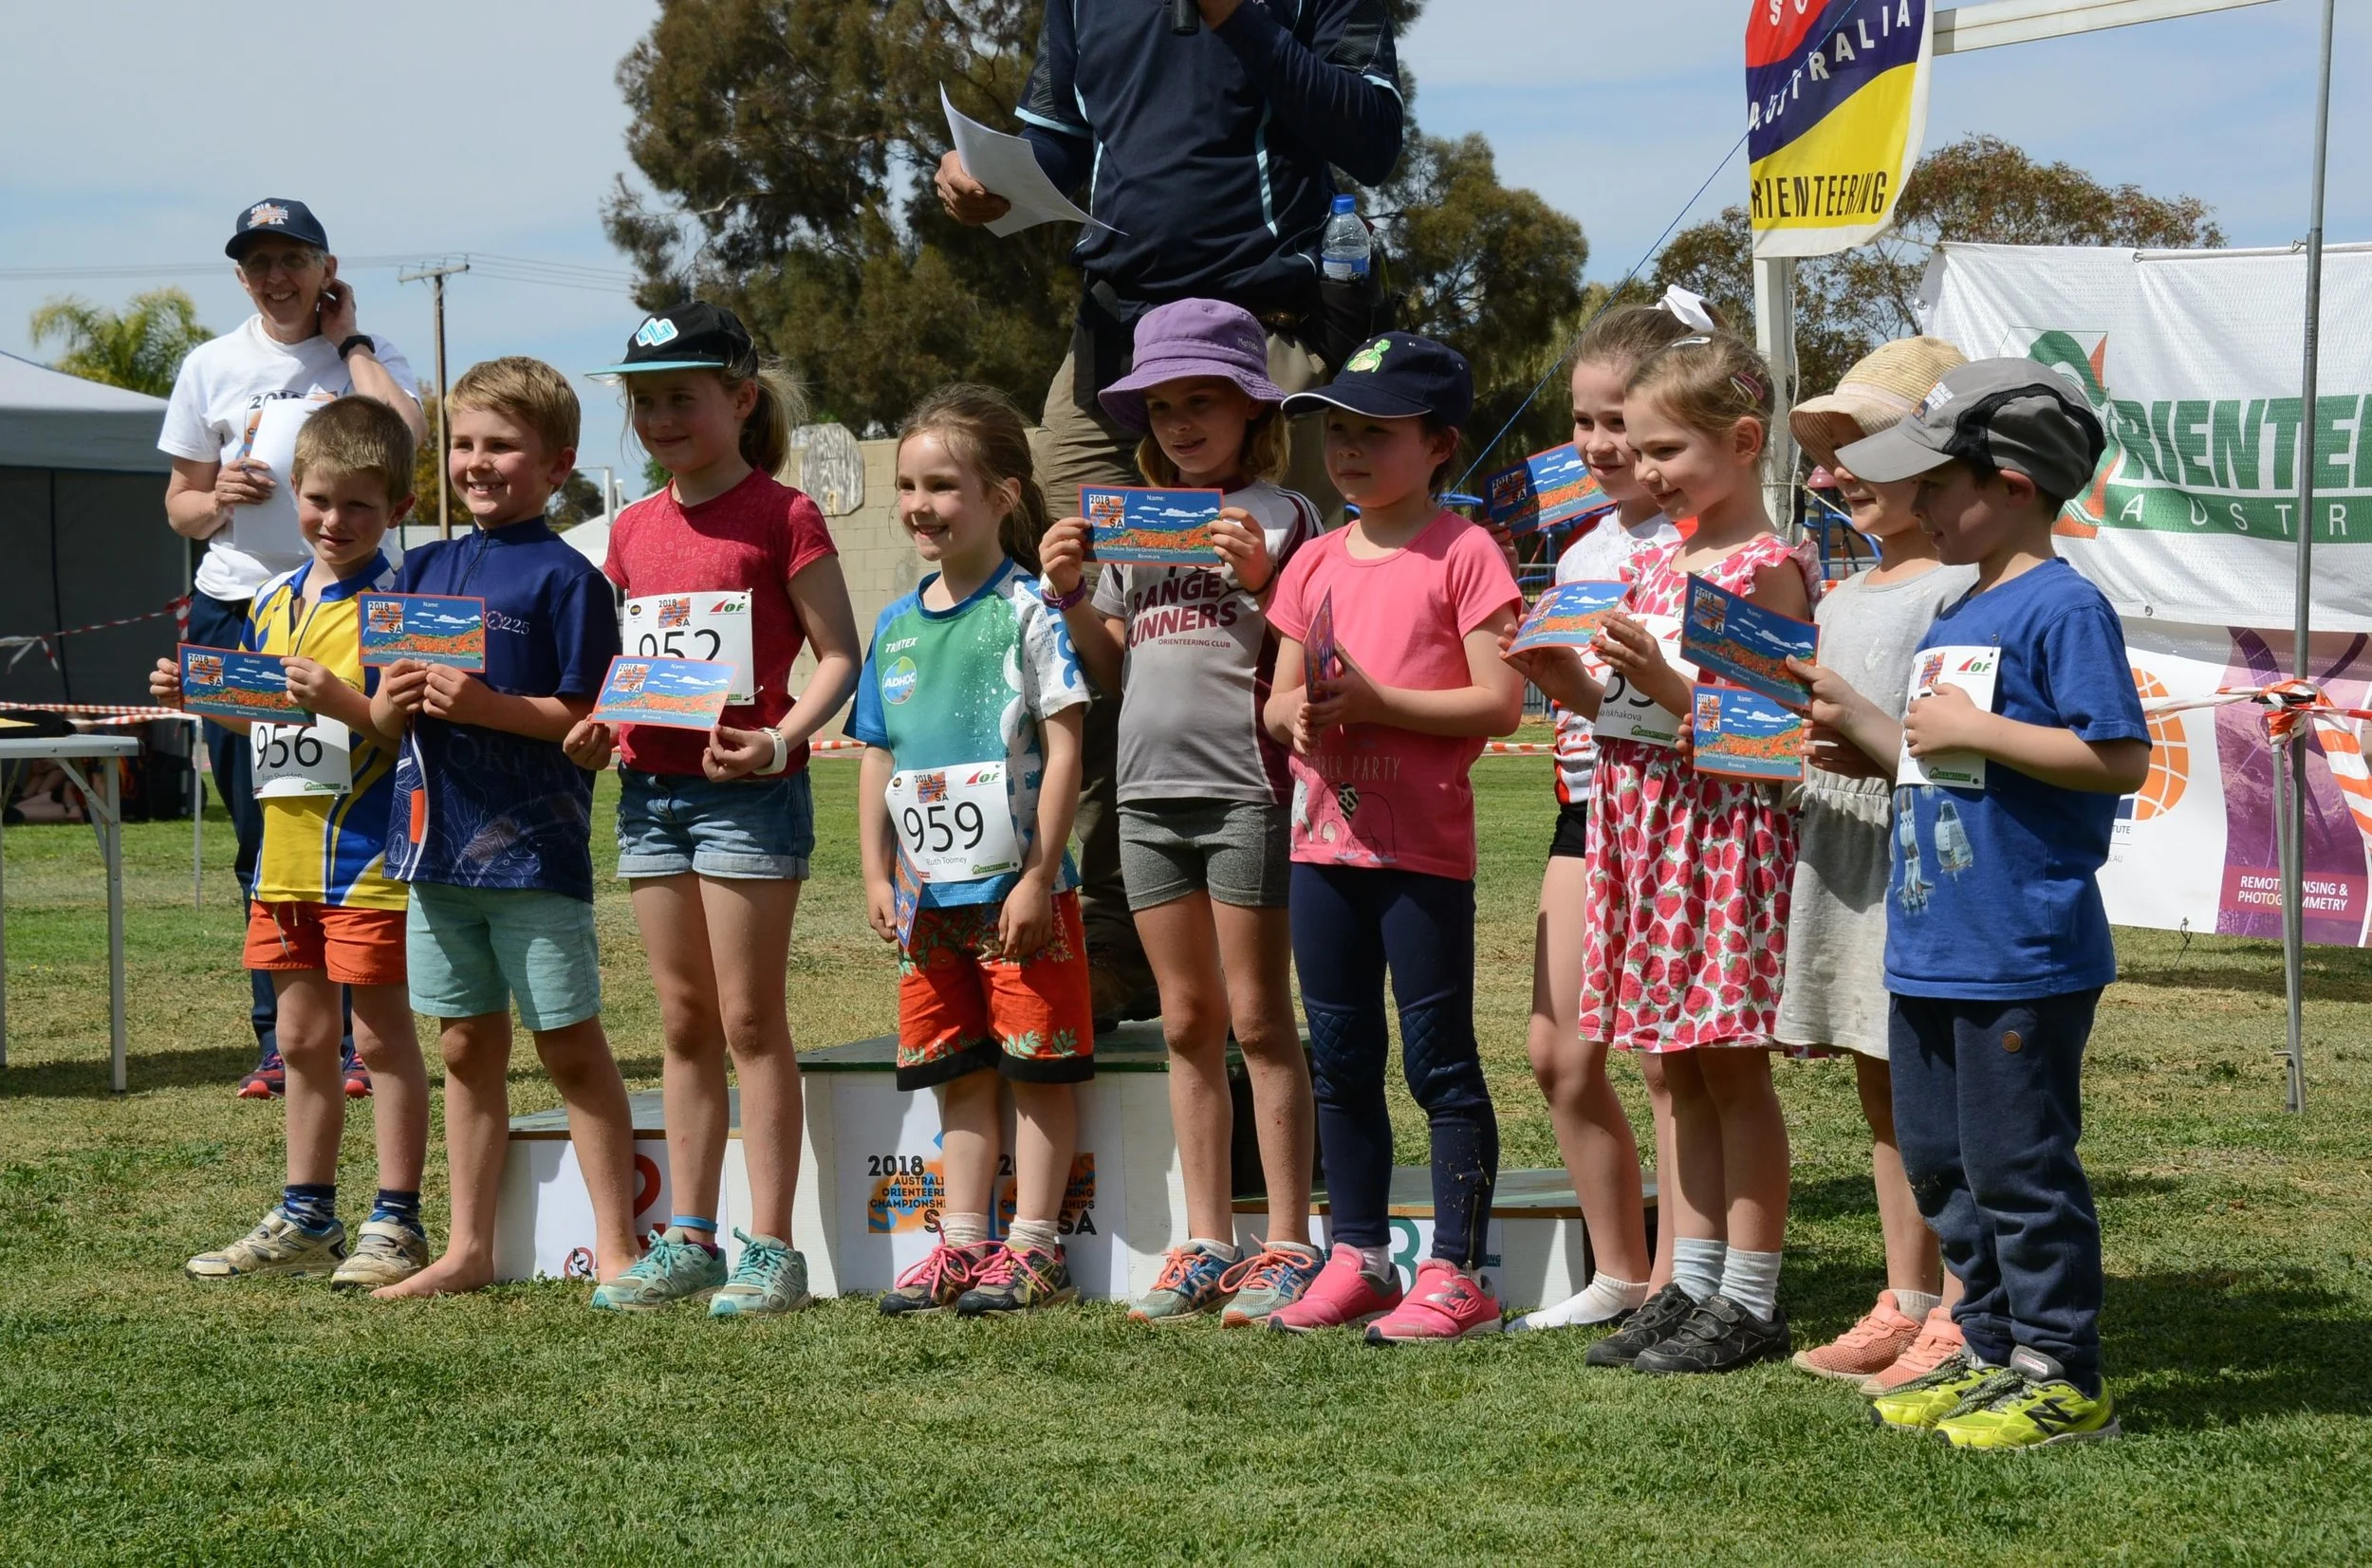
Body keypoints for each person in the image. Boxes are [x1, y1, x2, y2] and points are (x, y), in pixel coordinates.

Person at [936, 0, 1408, 1024]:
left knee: (1289, 642)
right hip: (1116, 345)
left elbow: (1371, 137)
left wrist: (1240, 21)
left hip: (1260, 335)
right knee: (1093, 641)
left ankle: (1298, 951)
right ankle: (1112, 945)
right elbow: (1063, 146)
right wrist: (987, 182)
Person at [1825, 360, 2146, 1450]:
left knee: (2020, 1173)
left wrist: (1984, 733)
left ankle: (2065, 1377)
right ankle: (1992, 1352)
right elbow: (1940, 767)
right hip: (1930, 943)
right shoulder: (1958, 603)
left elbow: (2117, 758)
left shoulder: (2062, 607)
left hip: (2020, 948)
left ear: (2009, 483)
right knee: (1943, 1170)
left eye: (1934, 484)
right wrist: (1865, 730)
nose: (1913, 505)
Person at [564, 304, 862, 1317]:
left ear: (739, 400)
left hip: (749, 798)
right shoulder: (633, 528)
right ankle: (687, 1237)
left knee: (748, 1020)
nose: (660, 417)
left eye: (681, 397)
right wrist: (603, 719)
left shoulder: (784, 516)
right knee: (682, 1021)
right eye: (643, 401)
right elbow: (630, 664)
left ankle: (769, 1247)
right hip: (649, 793)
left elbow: (839, 657)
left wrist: (782, 740)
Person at [1036, 300, 1324, 1325]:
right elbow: (1111, 669)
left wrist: (1266, 577)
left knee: (1257, 1019)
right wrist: (1072, 594)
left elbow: (1318, 643)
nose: (1180, 422)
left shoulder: (1288, 515)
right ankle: (1205, 1238)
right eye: (1161, 405)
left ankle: (1287, 1239)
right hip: (1148, 798)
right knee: (1186, 1022)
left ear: (1253, 407)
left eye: (1202, 401)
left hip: (1249, 791)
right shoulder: (1127, 520)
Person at [1257, 333, 1526, 1342]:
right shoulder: (1315, 559)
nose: (1351, 450)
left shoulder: (1466, 552)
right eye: (1338, 430)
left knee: (1437, 1063)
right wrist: (1292, 716)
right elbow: (1281, 696)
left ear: (1442, 442)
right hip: (1320, 849)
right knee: (1339, 1057)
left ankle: (1456, 1273)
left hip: (1419, 856)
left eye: (1378, 431)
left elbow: (1500, 703)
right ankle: (1358, 1256)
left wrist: (1375, 702)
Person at [1566, 334, 1815, 1375]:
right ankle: (1694, 1281)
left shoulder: (1772, 570)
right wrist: (1563, 680)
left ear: (1743, 442)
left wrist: (1668, 691)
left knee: (1729, 1066)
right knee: (1675, 1062)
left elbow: (1772, 739)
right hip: (1644, 827)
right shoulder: (1654, 558)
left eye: (1665, 448)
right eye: (1634, 441)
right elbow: (1623, 713)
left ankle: (1749, 1295)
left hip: (1720, 839)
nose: (1645, 467)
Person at [365, 358, 639, 1300]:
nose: (478, 462)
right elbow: (381, 718)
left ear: (558, 465)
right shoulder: (421, 569)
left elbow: (589, 722)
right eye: (465, 444)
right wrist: (391, 703)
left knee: (568, 1043)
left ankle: (619, 1249)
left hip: (534, 856)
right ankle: (467, 1248)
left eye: (503, 445)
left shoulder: (571, 580)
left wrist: (488, 706)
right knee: (461, 1048)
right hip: (432, 856)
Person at [153, 397, 430, 1288]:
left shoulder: (400, 604)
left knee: (381, 1042)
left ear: (396, 508)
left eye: (357, 505)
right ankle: (308, 1213)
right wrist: (196, 698)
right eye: (317, 500)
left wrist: (341, 699)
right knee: (304, 1042)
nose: (333, 520)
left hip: (370, 862)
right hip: (285, 861)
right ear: (293, 498)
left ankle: (397, 1219)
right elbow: (264, 724)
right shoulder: (269, 601)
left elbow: (398, 727)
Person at [159, 197, 427, 1101]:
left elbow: (411, 440)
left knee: (362, 812)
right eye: (259, 263)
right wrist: (220, 496)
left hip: (358, 609)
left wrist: (349, 347)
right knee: (262, 816)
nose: (276, 278)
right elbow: (180, 506)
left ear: (325, 269)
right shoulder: (211, 364)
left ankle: (362, 1032)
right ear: (240, 276)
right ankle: (282, 1037)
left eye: (293, 260)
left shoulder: (369, 354)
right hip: (243, 606)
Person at [857, 385, 1095, 1319]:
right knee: (955, 1070)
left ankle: (1034, 1248)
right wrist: (876, 869)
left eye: (944, 485)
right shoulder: (893, 626)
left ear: (1001, 496)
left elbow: (1066, 744)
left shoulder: (1029, 610)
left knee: (1036, 1068)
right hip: (927, 902)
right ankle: (962, 1244)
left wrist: (1040, 874)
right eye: (910, 485)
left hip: (1018, 899)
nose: (921, 504)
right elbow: (877, 750)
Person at [1498, 296, 1705, 1335]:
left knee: (1671, 1061)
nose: (1597, 444)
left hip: (1679, 812)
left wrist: (1594, 696)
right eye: (1582, 421)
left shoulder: (1705, 545)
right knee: (1557, 1051)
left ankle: (1678, 1280)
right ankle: (1619, 1272)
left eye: (1617, 420)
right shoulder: (1578, 554)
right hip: (1588, 807)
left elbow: (1708, 711)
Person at [1775, 338, 1978, 1389]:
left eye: (1857, 444)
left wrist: (1855, 731)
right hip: (1843, 847)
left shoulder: (1958, 588)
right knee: (1880, 1082)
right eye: (1828, 452)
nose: (1830, 471)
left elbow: (1949, 733)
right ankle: (1903, 1296)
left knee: (1941, 1088)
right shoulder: (1846, 589)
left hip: (1922, 858)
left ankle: (1960, 1308)